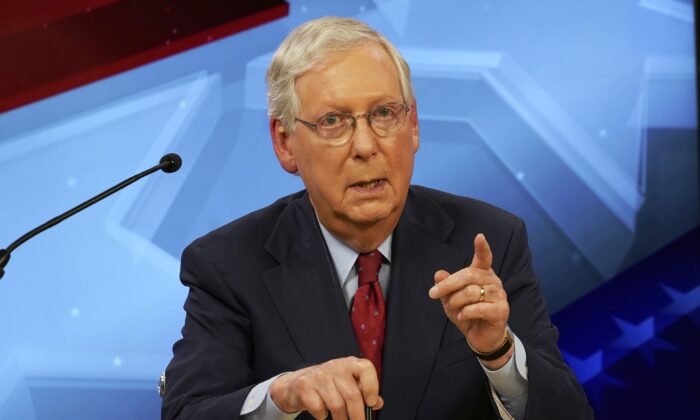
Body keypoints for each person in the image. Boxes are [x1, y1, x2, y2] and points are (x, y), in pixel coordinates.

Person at [162, 17, 592, 420]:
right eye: (333, 121)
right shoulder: (228, 265)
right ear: (284, 142)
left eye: (384, 113)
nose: (366, 145)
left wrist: (499, 354)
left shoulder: (488, 241)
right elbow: (187, 411)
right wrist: (281, 396)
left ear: (415, 125)